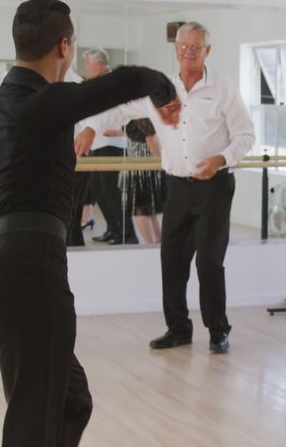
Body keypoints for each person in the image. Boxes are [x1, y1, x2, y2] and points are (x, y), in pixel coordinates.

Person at [0, 0, 179, 446]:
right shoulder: (45, 103)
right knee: (34, 424)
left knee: (70, 401)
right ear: (64, 47)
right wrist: (162, 87)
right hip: (28, 276)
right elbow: (118, 84)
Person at [89, 21, 255, 353]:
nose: (189, 52)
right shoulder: (160, 89)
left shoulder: (223, 87)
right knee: (172, 260)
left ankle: (218, 330)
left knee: (209, 262)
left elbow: (246, 135)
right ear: (176, 49)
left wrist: (220, 159)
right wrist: (91, 129)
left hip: (215, 185)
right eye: (184, 46)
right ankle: (178, 328)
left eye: (197, 46)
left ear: (208, 50)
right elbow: (119, 111)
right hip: (177, 186)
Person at [72, 49, 137, 245]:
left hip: (112, 145)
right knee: (98, 190)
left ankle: (127, 234)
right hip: (97, 145)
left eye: (89, 65)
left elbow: (116, 112)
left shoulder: (112, 82)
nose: (87, 69)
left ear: (99, 64)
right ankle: (113, 229)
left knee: (111, 191)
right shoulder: (97, 83)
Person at [119, 118, 165, 244]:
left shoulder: (133, 116)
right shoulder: (142, 116)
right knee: (146, 208)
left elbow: (147, 139)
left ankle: (152, 241)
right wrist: (161, 161)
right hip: (145, 167)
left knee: (142, 208)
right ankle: (155, 240)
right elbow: (150, 139)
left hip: (138, 167)